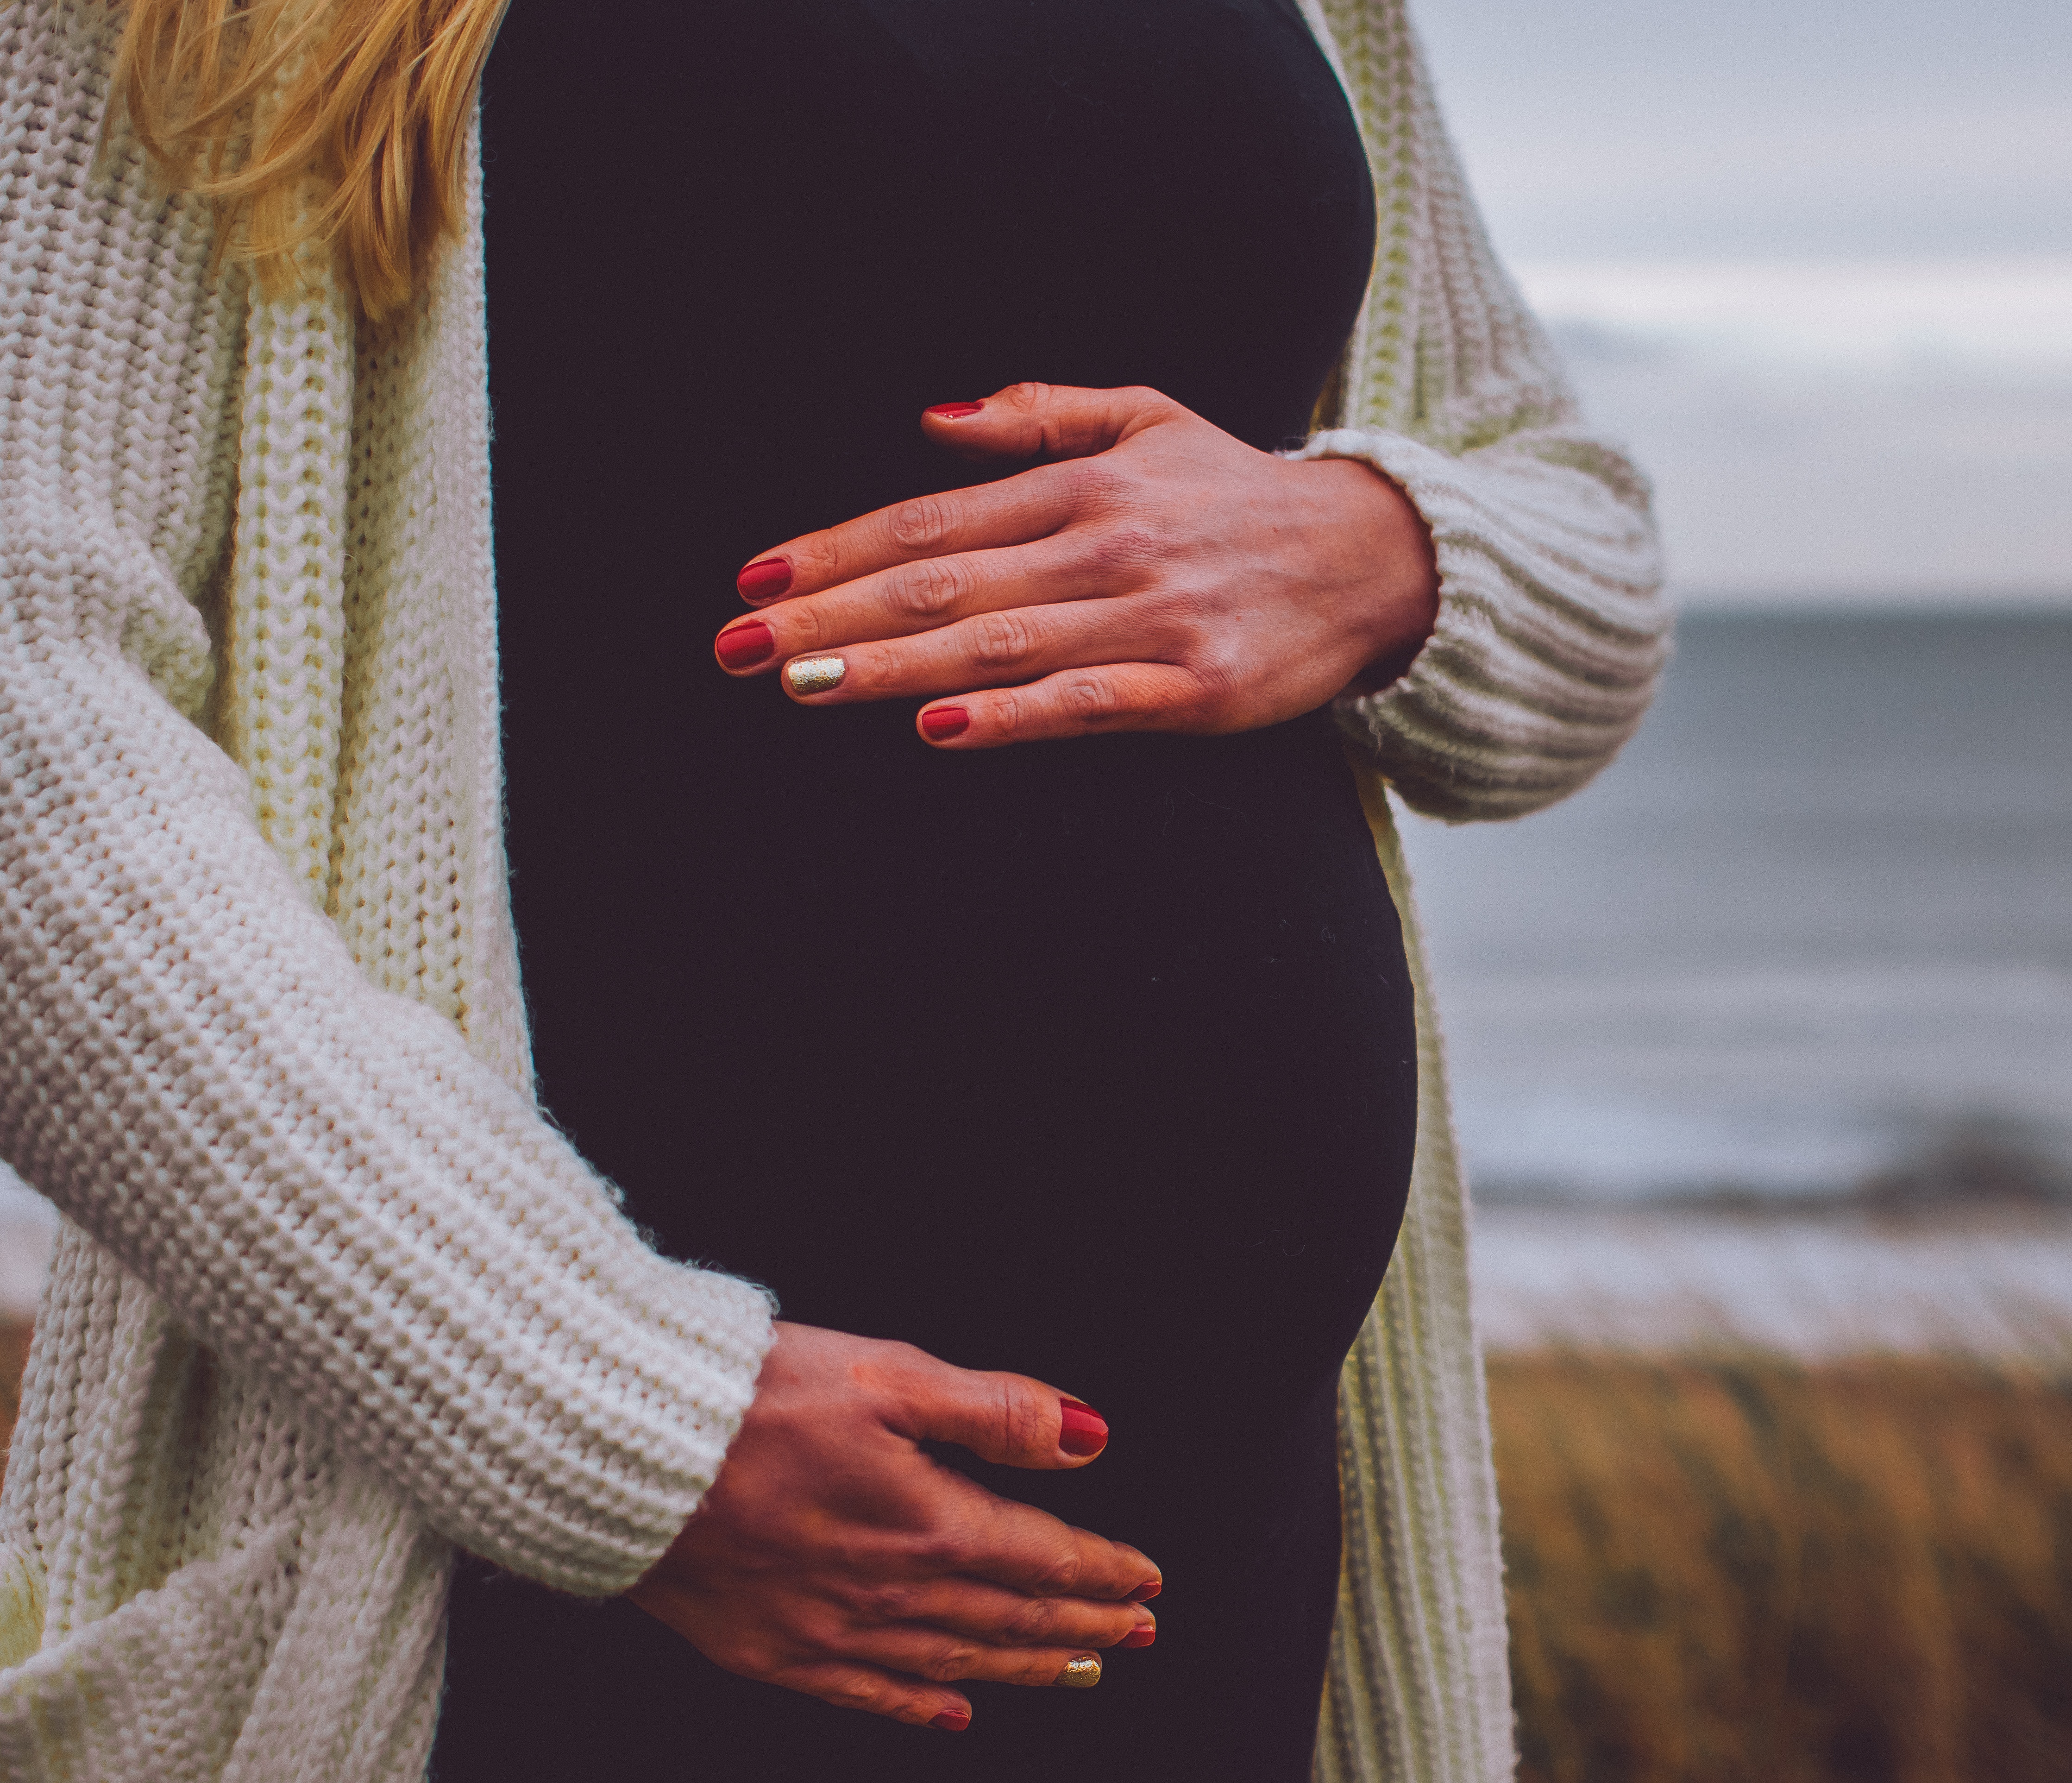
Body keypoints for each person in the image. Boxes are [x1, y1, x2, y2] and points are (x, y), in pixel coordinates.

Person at [0, 0, 1666, 1777]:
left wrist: (1380, 550)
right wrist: (602, 1414)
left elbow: (1576, 535)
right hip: (533, 1545)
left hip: (1213, 1570)